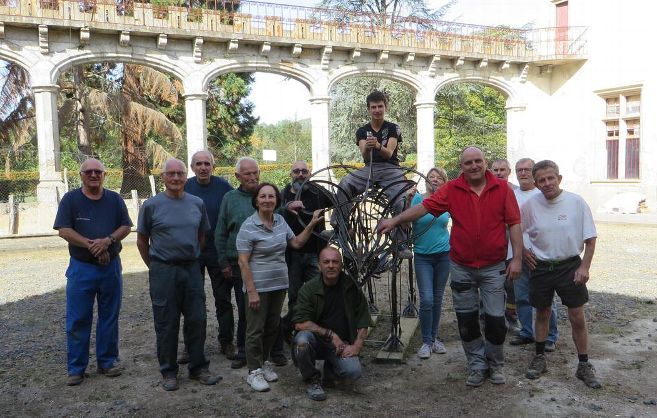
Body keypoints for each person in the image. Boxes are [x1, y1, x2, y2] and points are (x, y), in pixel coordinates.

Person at [379, 147, 522, 387]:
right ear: (461, 166)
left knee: (497, 320)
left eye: (478, 161)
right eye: (468, 163)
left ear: (484, 162)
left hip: (493, 267)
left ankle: (495, 364)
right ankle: (476, 365)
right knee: (466, 321)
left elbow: (514, 223)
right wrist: (395, 220)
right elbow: (423, 208)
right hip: (462, 266)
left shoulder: (502, 188)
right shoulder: (452, 189)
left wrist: (517, 258)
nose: (474, 166)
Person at [136, 158, 221, 391]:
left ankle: (198, 368)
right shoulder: (151, 206)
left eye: (180, 174)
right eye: (171, 174)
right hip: (163, 270)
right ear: (163, 177)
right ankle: (169, 371)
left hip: (191, 269)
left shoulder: (197, 203)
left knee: (197, 319)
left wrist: (191, 256)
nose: (175, 178)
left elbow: (202, 236)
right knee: (166, 321)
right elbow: (142, 240)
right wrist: (154, 266)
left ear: (186, 176)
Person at [236, 182, 324, 392]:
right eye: (263, 196)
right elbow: (243, 262)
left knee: (272, 327)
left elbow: (296, 244)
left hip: (278, 285)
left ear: (277, 200)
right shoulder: (249, 226)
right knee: (255, 329)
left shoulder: (281, 221)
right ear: (256, 200)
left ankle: (264, 362)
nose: (267, 200)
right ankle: (253, 372)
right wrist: (252, 291)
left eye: (271, 197)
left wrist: (311, 225)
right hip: (258, 287)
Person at [522, 160, 601, 389]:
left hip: (569, 266)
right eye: (542, 180)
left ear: (559, 178)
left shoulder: (576, 202)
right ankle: (539, 358)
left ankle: (584, 364)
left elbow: (591, 238)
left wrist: (584, 267)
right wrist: (525, 251)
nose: (547, 183)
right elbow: (517, 229)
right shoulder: (530, 205)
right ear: (536, 183)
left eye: (551, 178)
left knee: (577, 315)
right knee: (542, 313)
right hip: (542, 267)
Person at [54, 158, 132, 386]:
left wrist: (108, 241)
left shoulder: (115, 200)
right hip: (81, 268)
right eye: (89, 172)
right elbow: (64, 230)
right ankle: (76, 368)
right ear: (81, 175)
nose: (93, 175)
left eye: (98, 171)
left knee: (109, 316)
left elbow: (126, 226)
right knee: (78, 318)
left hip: (111, 269)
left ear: (104, 175)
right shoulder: (71, 200)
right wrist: (92, 246)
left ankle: (107, 362)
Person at [330, 90, 411, 258]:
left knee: (400, 197)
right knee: (345, 183)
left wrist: (378, 146)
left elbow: (389, 153)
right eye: (373, 107)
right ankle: (340, 228)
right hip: (370, 169)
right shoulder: (362, 131)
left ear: (385, 107)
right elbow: (365, 156)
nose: (377, 110)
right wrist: (367, 146)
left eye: (380, 106)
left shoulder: (392, 128)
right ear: (368, 109)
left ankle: (401, 243)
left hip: (391, 168)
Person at [270, 160, 332, 366]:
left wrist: (340, 228)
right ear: (291, 173)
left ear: (310, 173)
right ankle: (290, 331)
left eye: (304, 171)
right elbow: (274, 214)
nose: (300, 174)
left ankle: (312, 332)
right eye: (296, 171)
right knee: (295, 296)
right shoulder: (284, 193)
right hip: (292, 254)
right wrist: (287, 207)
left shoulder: (318, 191)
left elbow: (339, 203)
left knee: (318, 294)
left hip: (316, 252)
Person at [292, 247, 373, 401]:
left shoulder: (351, 287)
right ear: (319, 266)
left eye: (335, 262)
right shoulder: (308, 289)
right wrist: (330, 334)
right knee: (302, 341)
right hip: (314, 341)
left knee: (353, 372)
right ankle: (312, 379)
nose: (331, 265)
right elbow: (299, 324)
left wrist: (357, 345)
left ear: (341, 265)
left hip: (341, 344)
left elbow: (363, 318)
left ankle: (329, 373)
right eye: (326, 262)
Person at [180, 150, 234, 363]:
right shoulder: (185, 187)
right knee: (192, 300)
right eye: (199, 164)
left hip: (217, 250)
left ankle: (226, 341)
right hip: (192, 252)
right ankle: (191, 346)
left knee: (223, 298)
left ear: (213, 166)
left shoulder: (223, 188)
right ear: (192, 167)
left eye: (207, 164)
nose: (203, 167)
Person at [508, 158, 559, 350]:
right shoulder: (511, 195)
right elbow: (510, 226)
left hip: (541, 257)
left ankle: (550, 336)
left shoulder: (544, 194)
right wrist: (520, 253)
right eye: (519, 169)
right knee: (521, 297)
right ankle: (528, 332)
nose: (523, 173)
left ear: (534, 172)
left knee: (545, 301)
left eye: (527, 169)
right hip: (519, 255)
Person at [214, 156, 260, 369]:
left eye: (255, 173)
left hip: (262, 263)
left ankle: (267, 350)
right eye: (247, 173)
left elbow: (279, 217)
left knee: (264, 308)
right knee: (244, 309)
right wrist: (223, 262)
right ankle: (243, 351)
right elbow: (221, 232)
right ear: (238, 176)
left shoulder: (266, 194)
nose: (252, 177)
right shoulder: (229, 198)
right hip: (236, 263)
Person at [407, 167, 451, 359]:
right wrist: (407, 201)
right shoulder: (418, 199)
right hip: (423, 256)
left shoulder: (447, 199)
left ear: (444, 180)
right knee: (427, 299)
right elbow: (405, 223)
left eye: (438, 177)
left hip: (444, 255)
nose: (434, 179)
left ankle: (434, 339)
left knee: (438, 299)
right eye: (431, 177)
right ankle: (426, 341)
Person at [491, 158, 520, 332]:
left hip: (511, 246)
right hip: (493, 246)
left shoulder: (517, 192)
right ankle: (489, 316)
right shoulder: (486, 190)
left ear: (509, 172)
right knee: (491, 283)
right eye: (495, 170)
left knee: (511, 284)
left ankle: (511, 316)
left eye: (502, 169)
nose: (499, 173)